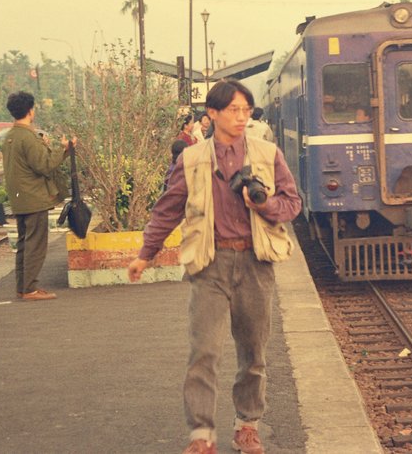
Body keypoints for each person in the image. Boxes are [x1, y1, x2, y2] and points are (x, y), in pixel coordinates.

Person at [128, 79, 302, 454]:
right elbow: (167, 210)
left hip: (256, 263)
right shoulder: (190, 159)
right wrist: (145, 253)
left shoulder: (267, 154)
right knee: (204, 351)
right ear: (212, 113)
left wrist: (264, 207)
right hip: (210, 263)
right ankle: (201, 434)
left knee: (253, 352)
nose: (242, 117)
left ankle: (247, 424)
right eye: (234, 110)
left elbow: (292, 203)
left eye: (246, 110)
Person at [2, 91, 74, 301]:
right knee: (35, 245)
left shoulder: (11, 136)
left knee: (24, 244)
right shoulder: (28, 137)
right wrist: (64, 149)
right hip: (34, 198)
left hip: (20, 199)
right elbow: (44, 165)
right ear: (31, 111)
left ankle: (23, 287)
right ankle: (30, 289)